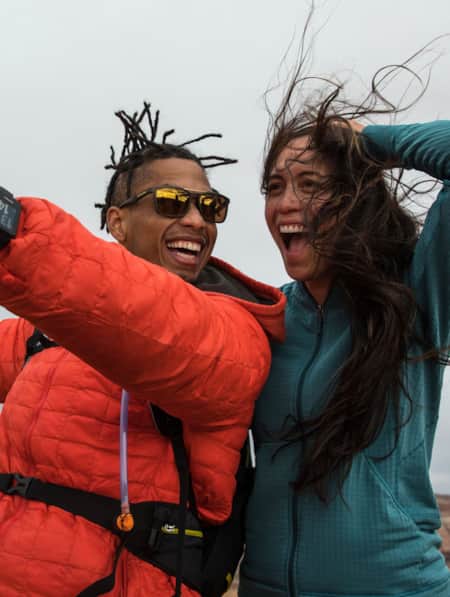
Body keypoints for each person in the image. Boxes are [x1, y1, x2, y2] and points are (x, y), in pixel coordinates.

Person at [0, 103, 285, 597]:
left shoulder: (235, 330)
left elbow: (153, 322)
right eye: (173, 203)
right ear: (117, 222)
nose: (197, 220)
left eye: (210, 207)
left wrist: (13, 232)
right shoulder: (40, 333)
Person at [239, 80, 450, 595]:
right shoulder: (263, 318)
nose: (286, 203)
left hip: (396, 586)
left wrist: (368, 143)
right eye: (274, 187)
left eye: (311, 184)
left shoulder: (414, 298)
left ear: (356, 198)